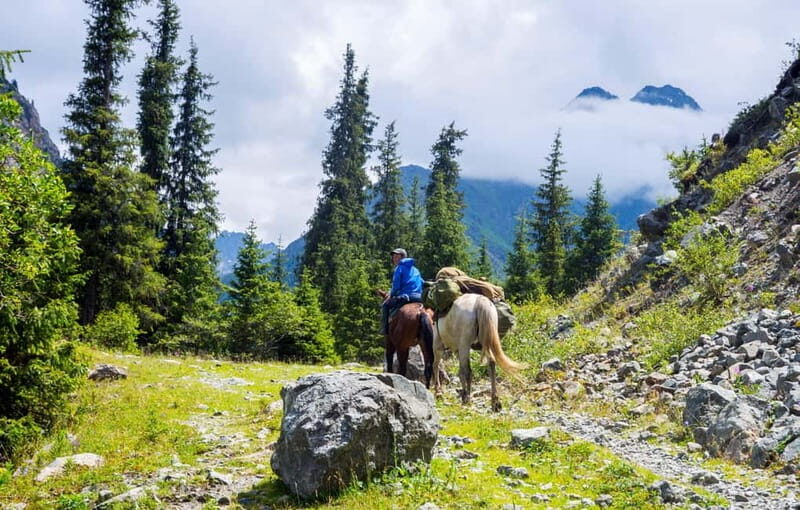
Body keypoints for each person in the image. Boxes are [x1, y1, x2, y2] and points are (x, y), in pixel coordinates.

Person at [380, 248, 423, 335]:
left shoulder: (399, 268)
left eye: (397, 256)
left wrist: (391, 295)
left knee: (385, 305)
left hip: (405, 297)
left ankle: (384, 329)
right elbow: (422, 282)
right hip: (419, 297)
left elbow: (396, 286)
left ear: (403, 257)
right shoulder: (415, 269)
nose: (394, 259)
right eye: (393, 257)